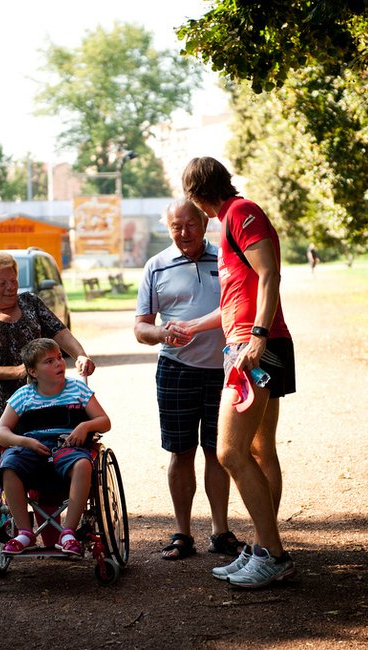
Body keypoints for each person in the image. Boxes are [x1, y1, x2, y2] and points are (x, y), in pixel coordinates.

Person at [181, 156, 297, 588]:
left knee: (230, 452)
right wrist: (193, 325)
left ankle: (274, 555)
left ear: (195, 194)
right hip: (254, 343)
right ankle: (265, 547)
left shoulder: (241, 214)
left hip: (256, 349)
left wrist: (258, 337)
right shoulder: (231, 218)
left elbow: (269, 275)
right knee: (260, 451)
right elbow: (238, 298)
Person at [134, 198, 244, 561]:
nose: (183, 233)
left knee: (218, 452)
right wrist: (162, 334)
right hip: (176, 370)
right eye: (175, 227)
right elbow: (141, 328)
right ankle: (182, 532)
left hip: (223, 371)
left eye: (190, 225)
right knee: (181, 453)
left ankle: (220, 531)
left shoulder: (225, 258)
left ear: (204, 222)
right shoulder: (156, 266)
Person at [0, 252, 95, 535]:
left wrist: (80, 354)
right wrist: (20, 372)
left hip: (38, 409)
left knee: (45, 471)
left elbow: (59, 332)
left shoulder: (31, 303)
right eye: (2, 282)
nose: (11, 287)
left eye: (14, 280)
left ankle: (52, 535)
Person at [0, 338, 111, 555]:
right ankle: (25, 533)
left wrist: (85, 426)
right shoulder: (23, 396)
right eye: (49, 361)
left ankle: (68, 533)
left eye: (59, 358)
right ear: (33, 371)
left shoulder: (77, 390)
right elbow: (0, 433)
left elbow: (105, 421)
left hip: (68, 446)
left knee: (84, 464)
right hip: (32, 448)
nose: (59, 363)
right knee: (8, 466)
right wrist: (23, 441)